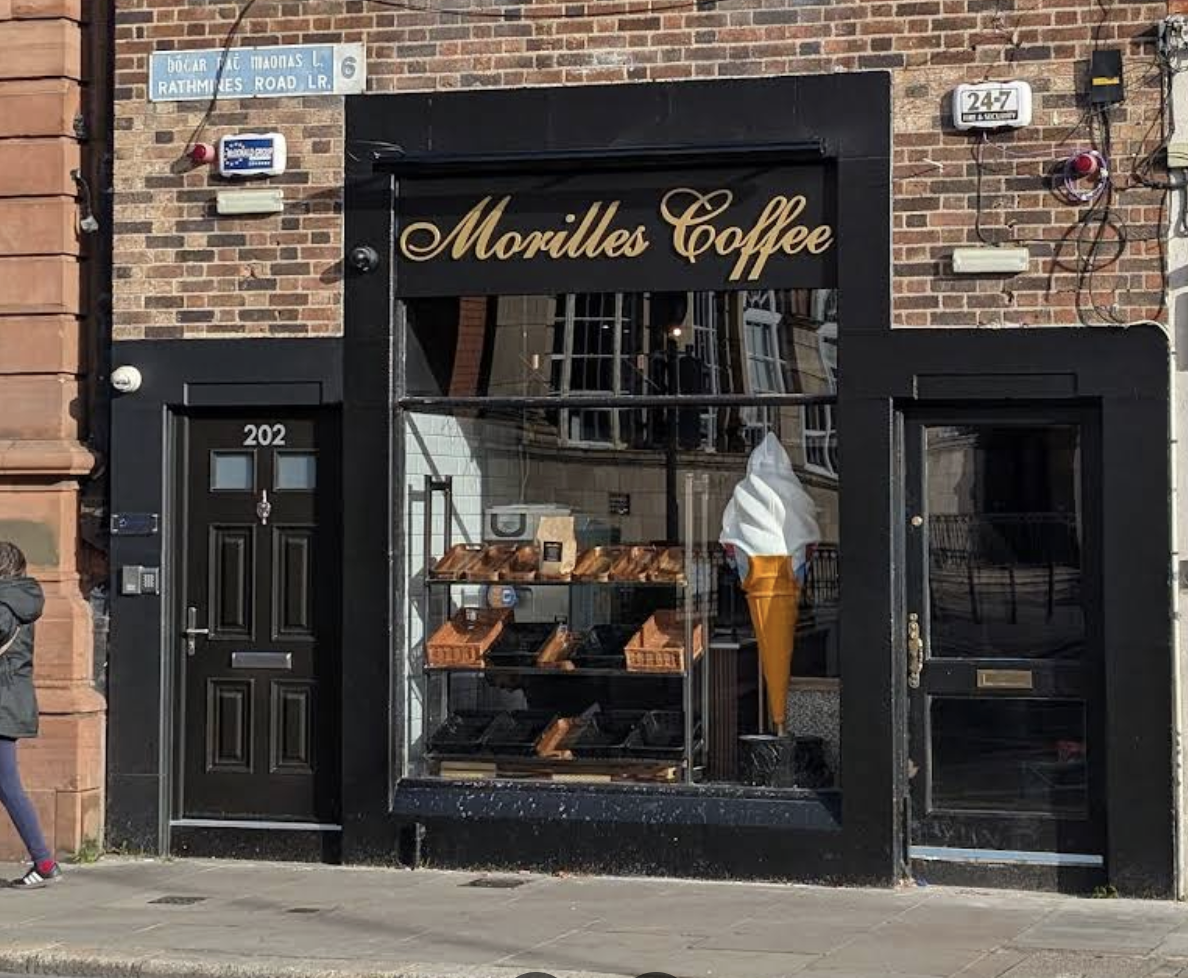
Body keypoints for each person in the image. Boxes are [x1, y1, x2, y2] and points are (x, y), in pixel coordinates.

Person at [0, 542, 61, 888]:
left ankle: (45, 860)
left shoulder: (4, 605)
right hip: (11, 699)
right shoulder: (21, 600)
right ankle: (44, 860)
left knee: (8, 785)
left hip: (2, 703)